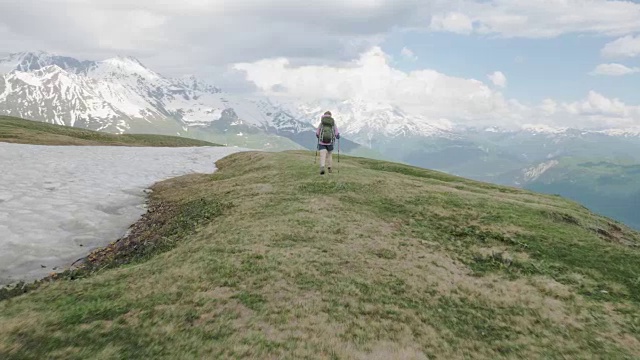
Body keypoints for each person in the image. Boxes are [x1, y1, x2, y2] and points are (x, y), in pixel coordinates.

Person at [315, 111, 340, 175]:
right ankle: (329, 167)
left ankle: (322, 167)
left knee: (322, 154)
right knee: (329, 155)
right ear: (330, 115)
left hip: (322, 141)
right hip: (330, 142)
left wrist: (318, 135)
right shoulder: (332, 122)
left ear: (324, 115)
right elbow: (336, 130)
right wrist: (337, 135)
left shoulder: (322, 122)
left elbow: (318, 131)